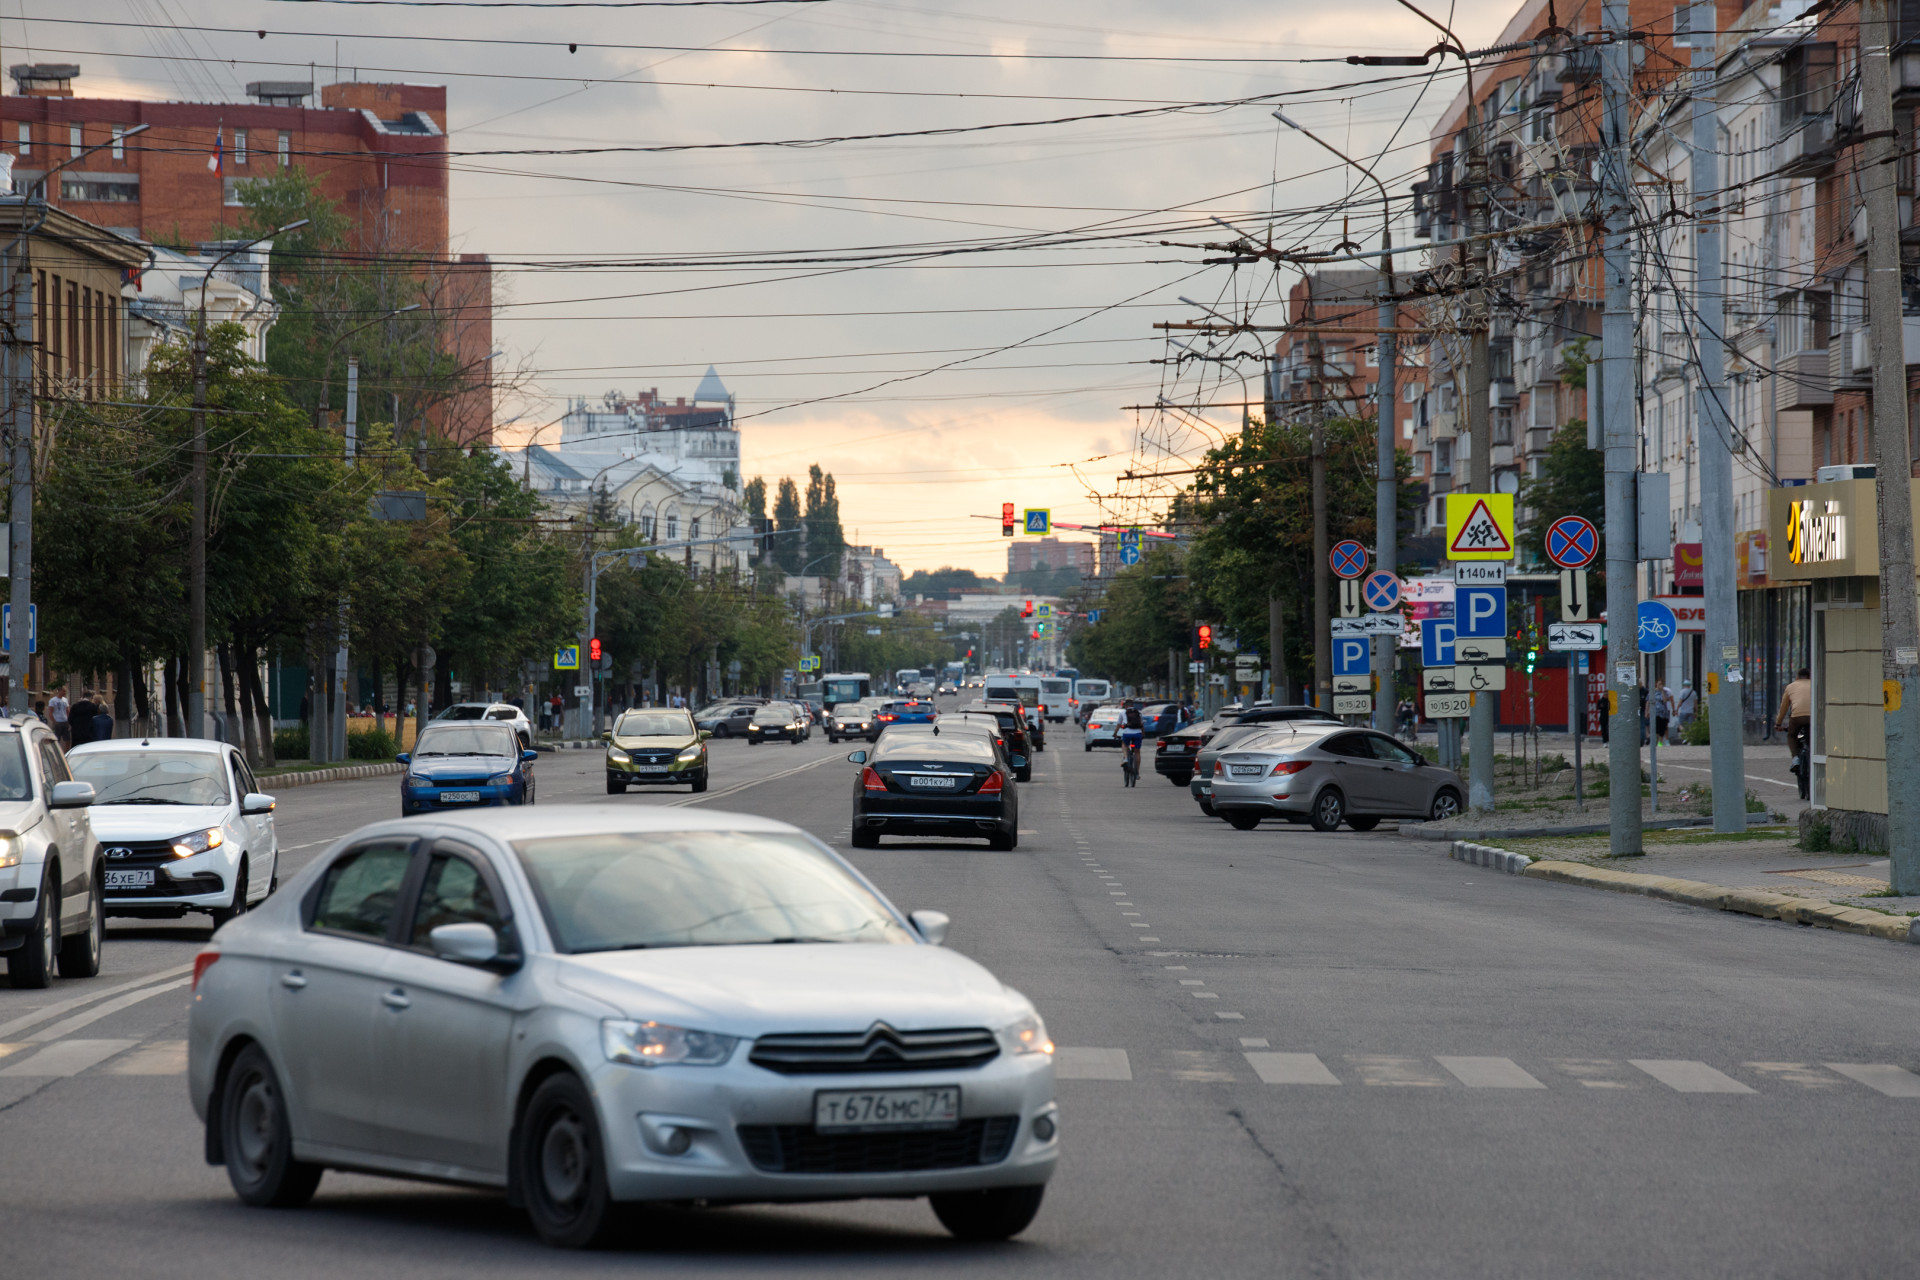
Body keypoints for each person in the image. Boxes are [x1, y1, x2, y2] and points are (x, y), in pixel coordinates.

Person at [1777, 666, 1812, 799]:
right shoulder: (1814, 685)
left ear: (1797, 677)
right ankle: (1814, 756)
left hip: (1796, 717)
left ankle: (1796, 758)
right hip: (1813, 717)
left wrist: (1778, 723)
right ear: (1810, 677)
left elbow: (1784, 708)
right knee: (1814, 737)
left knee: (1792, 735)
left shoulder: (1791, 686)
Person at [1120, 699, 1145, 786]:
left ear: (1125, 706)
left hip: (1127, 734)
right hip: (1137, 734)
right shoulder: (1139, 712)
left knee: (1124, 744)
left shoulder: (1123, 713)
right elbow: (1141, 724)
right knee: (1137, 752)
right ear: (1133, 705)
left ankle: (1126, 758)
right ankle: (1137, 773)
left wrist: (1115, 733)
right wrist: (1143, 734)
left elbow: (1119, 724)